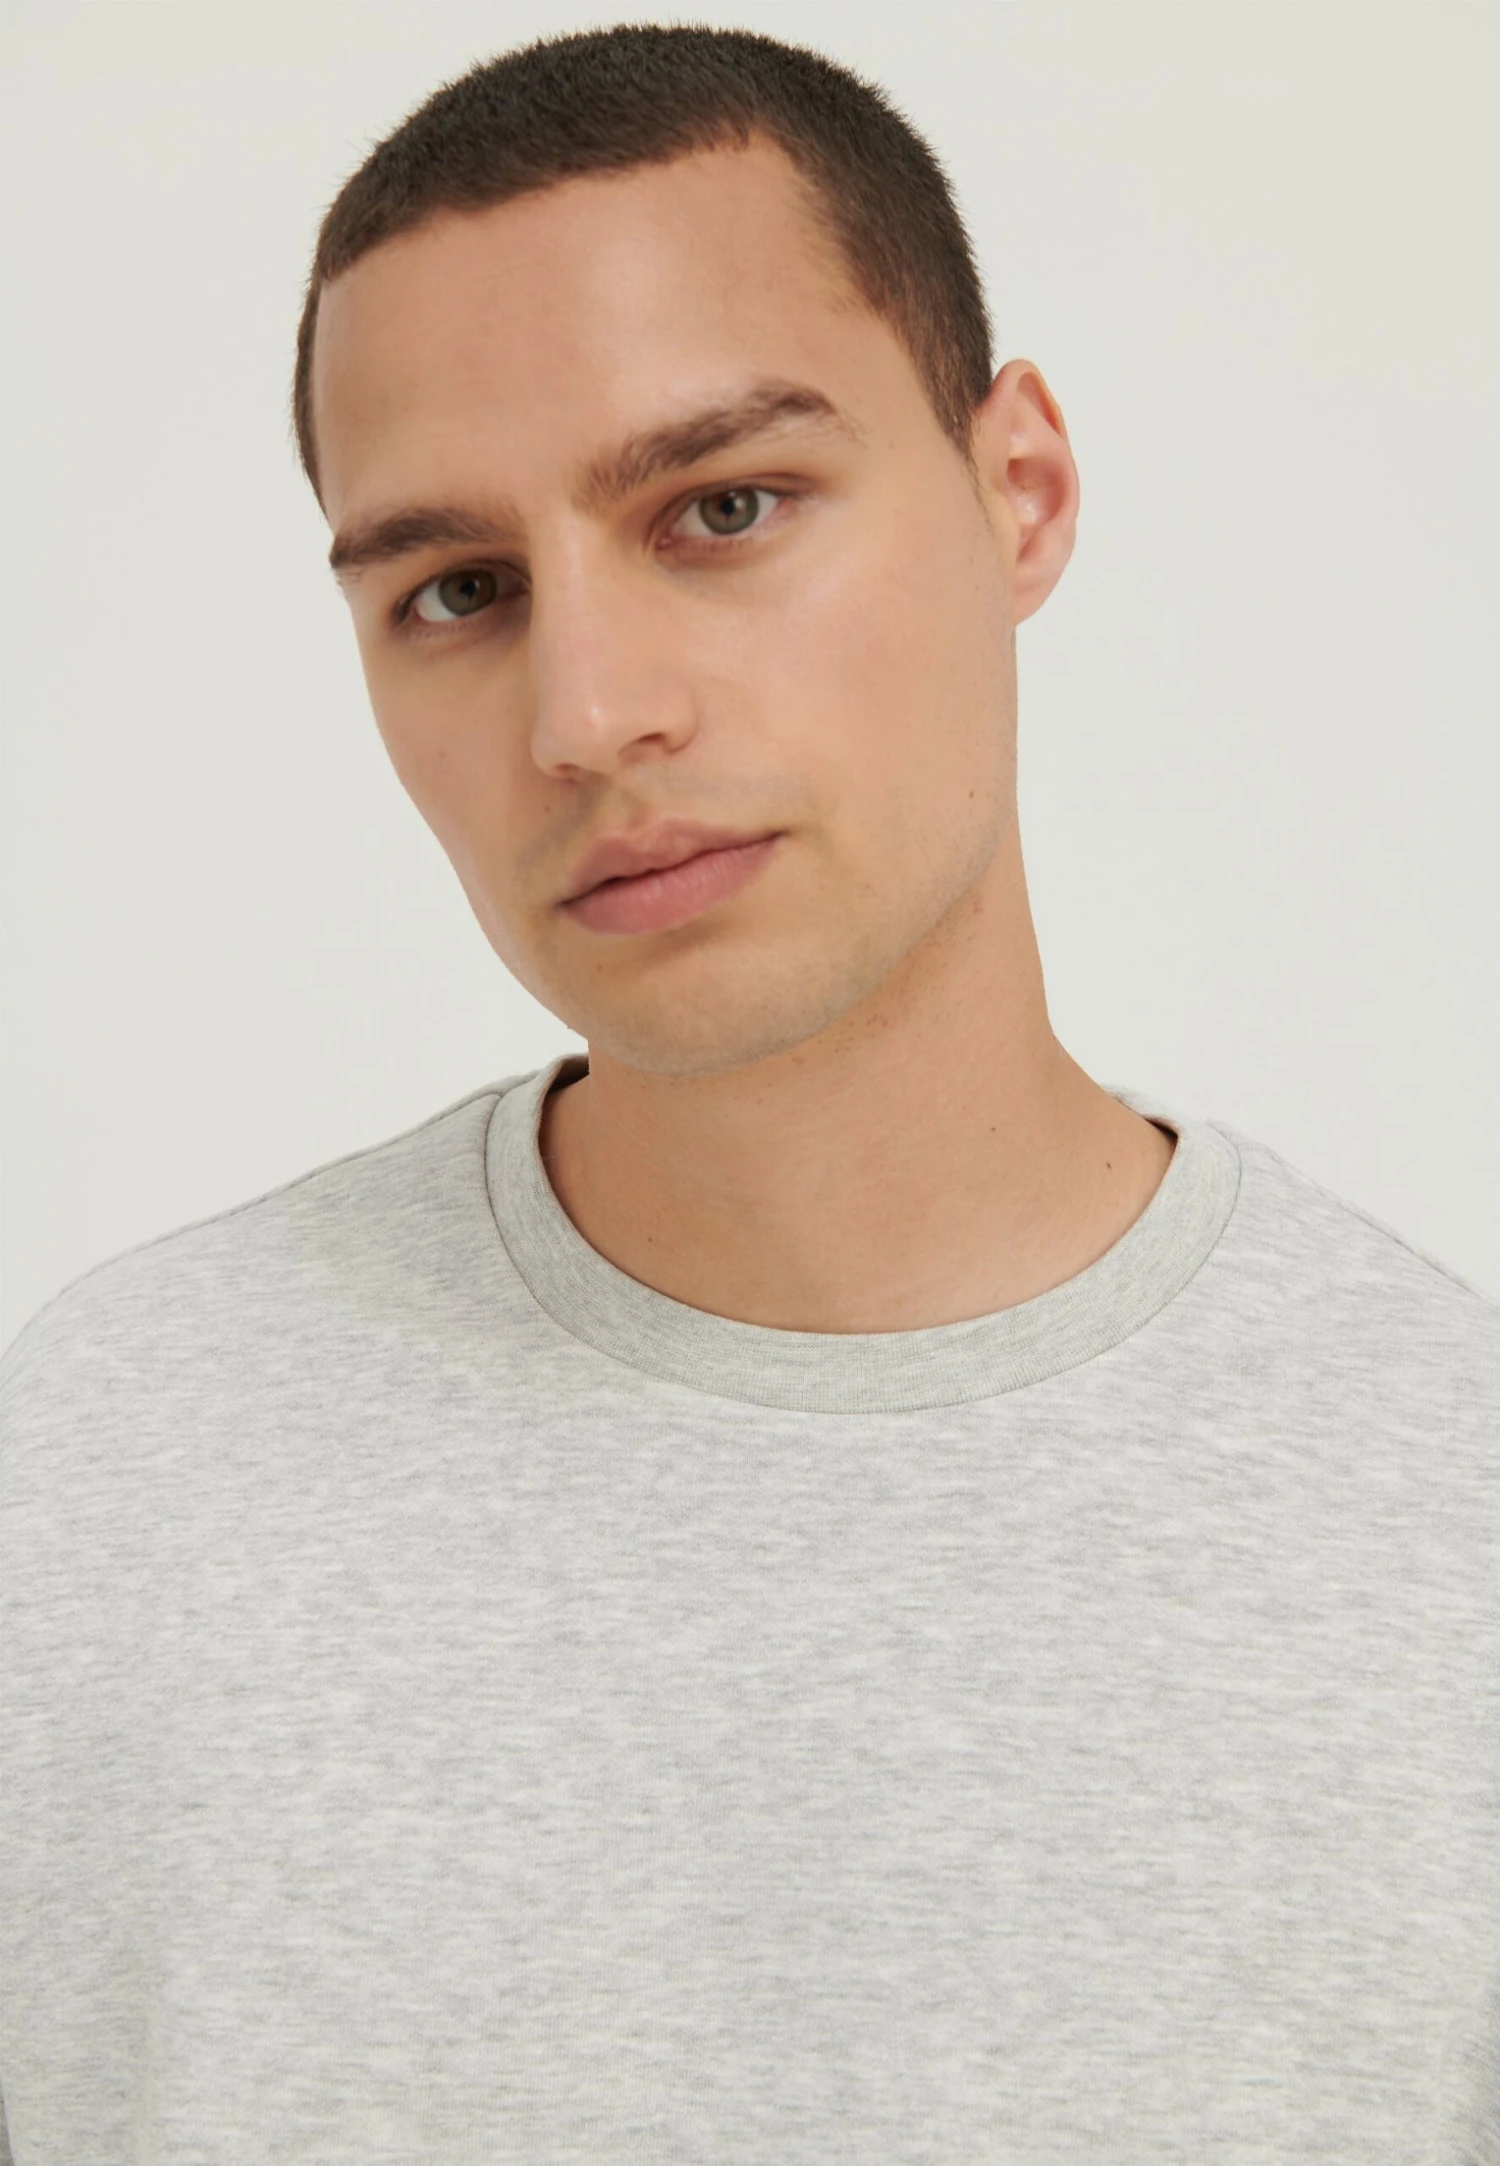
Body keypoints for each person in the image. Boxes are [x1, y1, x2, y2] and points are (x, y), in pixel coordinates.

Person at [1, 22, 1495, 2162]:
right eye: (458, 590)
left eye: (723, 507)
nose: (588, 711)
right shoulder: (88, 1503)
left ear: (1020, 493)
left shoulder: (1448, 1534)